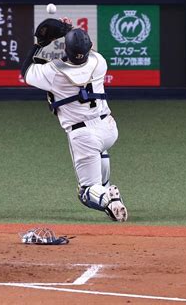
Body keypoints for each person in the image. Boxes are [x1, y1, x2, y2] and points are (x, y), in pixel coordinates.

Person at [21, 18, 127, 222]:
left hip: (84, 136)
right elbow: (82, 54)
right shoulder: (99, 62)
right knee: (99, 151)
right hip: (108, 128)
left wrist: (40, 44)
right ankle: (106, 191)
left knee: (86, 192)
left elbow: (26, 70)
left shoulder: (52, 73)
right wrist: (71, 32)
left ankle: (108, 198)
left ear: (65, 49)